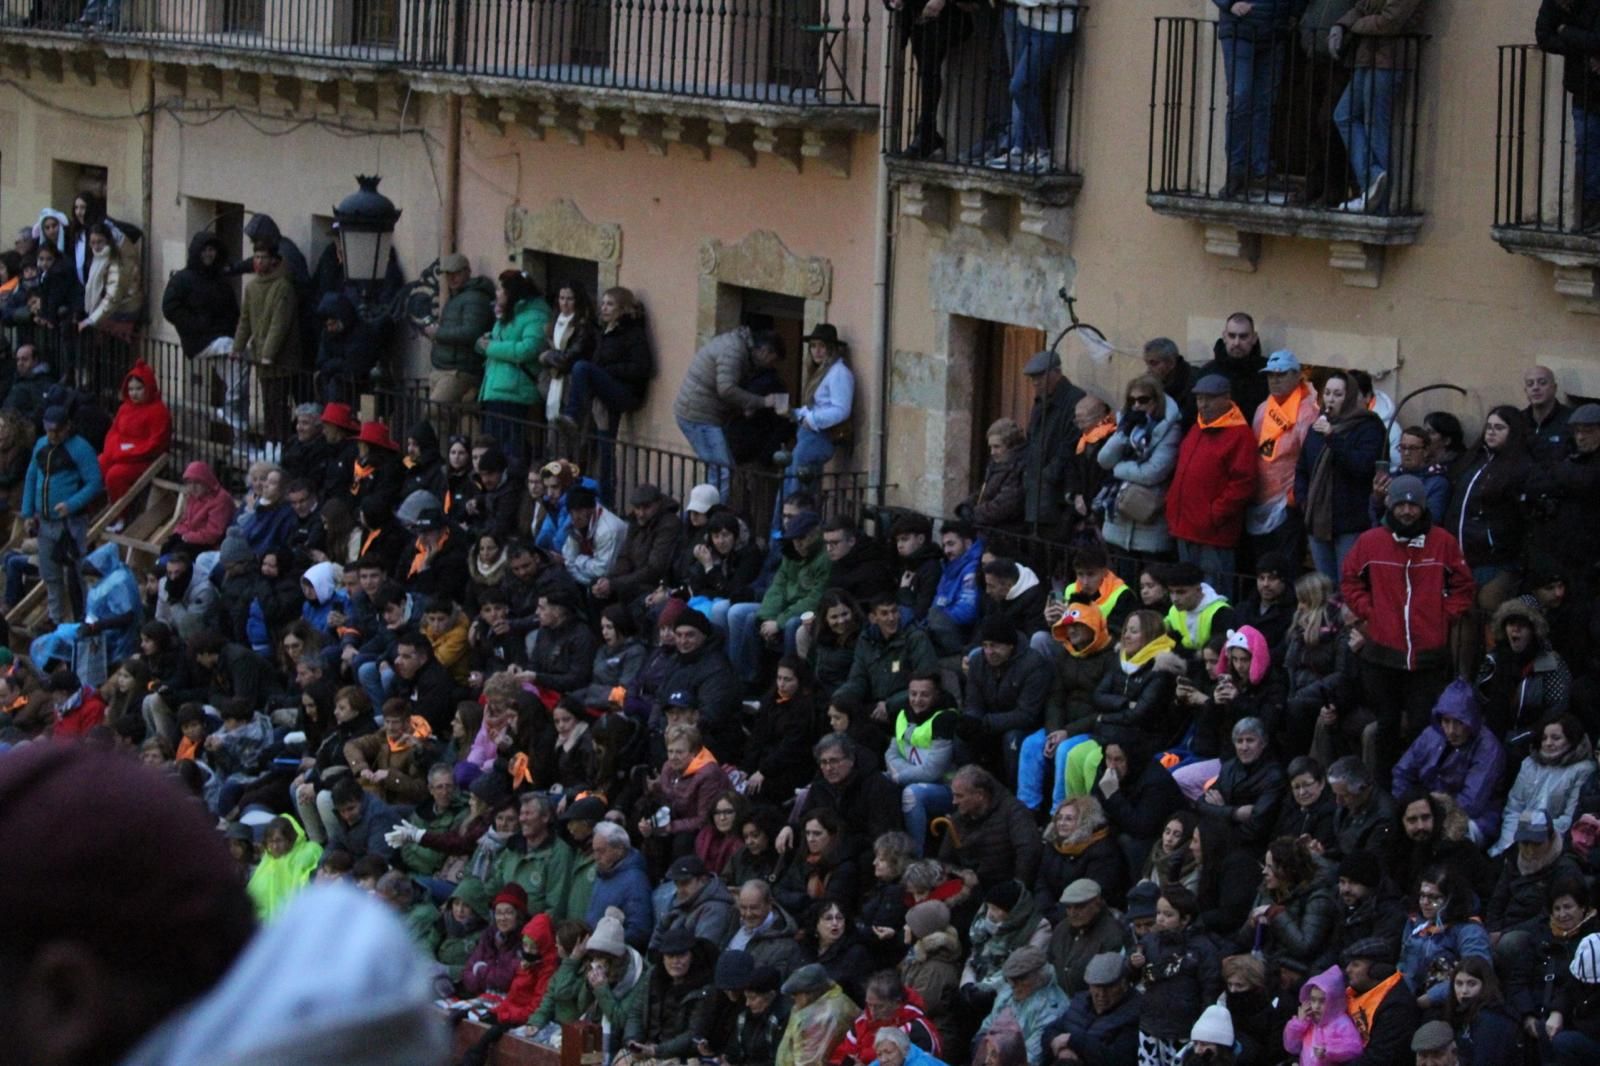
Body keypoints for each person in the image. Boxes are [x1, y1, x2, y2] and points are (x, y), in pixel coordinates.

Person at [1340, 474, 1474, 783]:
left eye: (1413, 505)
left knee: (1421, 725)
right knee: (1385, 725)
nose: (1407, 512)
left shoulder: (1443, 542)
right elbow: (1349, 580)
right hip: (1382, 655)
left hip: (1428, 656)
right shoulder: (1371, 541)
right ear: (1390, 504)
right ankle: (1385, 787)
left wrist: (1445, 614)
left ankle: (1419, 788)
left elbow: (1463, 585)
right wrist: (1370, 612)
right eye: (1400, 504)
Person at [1329, 0, 1426, 213]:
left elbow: (1390, 21)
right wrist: (1341, 25)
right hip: (1368, 57)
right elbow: (1362, 6)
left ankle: (1377, 202)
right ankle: (1372, 178)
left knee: (1376, 125)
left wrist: (1355, 26)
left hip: (1389, 60)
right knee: (1343, 115)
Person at [1166, 374, 1257, 590]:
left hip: (1213, 534)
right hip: (1186, 526)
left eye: (1209, 399)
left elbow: (1243, 483)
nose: (1203, 404)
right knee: (1187, 591)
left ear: (1226, 399)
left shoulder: (1239, 434)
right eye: (1199, 399)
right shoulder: (1198, 427)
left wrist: (1214, 515)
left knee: (1212, 592)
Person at [674, 325, 787, 496]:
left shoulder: (737, 348)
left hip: (699, 413)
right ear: (765, 352)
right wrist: (762, 402)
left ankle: (704, 515)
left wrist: (745, 405)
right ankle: (710, 518)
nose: (770, 366)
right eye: (773, 361)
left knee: (720, 471)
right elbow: (726, 389)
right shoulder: (734, 351)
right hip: (698, 416)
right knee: (722, 472)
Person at [1389, 680, 1504, 847]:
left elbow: (1472, 803)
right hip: (1425, 807)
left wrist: (1430, 810)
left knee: (1445, 841)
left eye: (1458, 722)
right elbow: (1402, 773)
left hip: (1474, 817)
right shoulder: (1431, 735)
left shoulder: (1488, 748)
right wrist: (1409, 805)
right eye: (1446, 721)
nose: (1451, 730)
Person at [1296, 370, 1386, 582]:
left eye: (1338, 394)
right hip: (1318, 521)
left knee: (1348, 585)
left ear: (1350, 397)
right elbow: (1302, 468)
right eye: (1327, 393)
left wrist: (1332, 437)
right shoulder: (1317, 426)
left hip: (1350, 522)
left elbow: (1362, 467)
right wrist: (1303, 500)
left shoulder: (1369, 427)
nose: (1330, 399)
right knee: (1325, 586)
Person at [22, 404, 103, 624]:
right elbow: (31, 477)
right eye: (49, 431)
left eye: (57, 430)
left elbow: (94, 482)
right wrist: (27, 512)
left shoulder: (80, 448)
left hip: (71, 522)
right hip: (44, 520)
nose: (53, 435)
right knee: (50, 573)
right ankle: (55, 617)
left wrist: (72, 504)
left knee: (79, 572)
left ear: (67, 427)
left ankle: (87, 617)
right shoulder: (41, 445)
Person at [1098, 375, 1183, 561]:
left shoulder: (1170, 429)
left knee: (1149, 587)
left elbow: (1153, 472)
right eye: (1132, 400)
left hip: (1149, 524)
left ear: (1156, 401)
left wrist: (1118, 468)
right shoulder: (1126, 425)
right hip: (1118, 523)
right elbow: (1104, 459)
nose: (1137, 406)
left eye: (1143, 400)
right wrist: (1123, 434)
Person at [1248, 350, 1319, 559]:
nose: (1275, 380)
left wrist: (1294, 496)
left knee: (1285, 565)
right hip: (1260, 499)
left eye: (1281, 375)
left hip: (1288, 504)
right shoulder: (1263, 408)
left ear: (1297, 376)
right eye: (1271, 375)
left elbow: (1311, 459)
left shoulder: (1307, 413)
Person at [1537, 0, 1600, 231]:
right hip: (1582, 89)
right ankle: (1591, 214)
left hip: (1588, 87)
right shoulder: (1552, 4)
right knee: (1586, 153)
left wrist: (1566, 31)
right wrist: (1585, 49)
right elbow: (1543, 37)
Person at [558, 285, 653, 435]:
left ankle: (574, 414)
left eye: (610, 304)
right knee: (606, 432)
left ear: (622, 308)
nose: (604, 308)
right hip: (609, 386)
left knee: (581, 367)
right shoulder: (604, 331)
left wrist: (608, 371)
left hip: (627, 391)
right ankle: (604, 456)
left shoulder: (633, 333)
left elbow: (642, 367)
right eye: (603, 304)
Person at [476, 270, 550, 463]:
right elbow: (496, 342)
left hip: (514, 392)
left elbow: (528, 349)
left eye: (501, 288)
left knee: (509, 452)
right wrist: (484, 343)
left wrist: (491, 347)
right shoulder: (508, 314)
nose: (497, 293)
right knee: (491, 451)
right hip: (495, 388)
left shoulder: (536, 315)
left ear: (512, 292)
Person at [233, 238, 300, 447]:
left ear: (273, 261)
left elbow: (279, 324)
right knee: (267, 405)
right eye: (256, 257)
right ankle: (270, 445)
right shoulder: (252, 287)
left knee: (278, 405)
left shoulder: (283, 287)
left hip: (280, 360)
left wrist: (268, 354)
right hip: (261, 357)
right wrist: (237, 347)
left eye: (264, 257)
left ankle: (281, 445)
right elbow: (245, 320)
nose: (259, 261)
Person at [778, 323, 854, 494]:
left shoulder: (839, 372)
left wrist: (811, 420)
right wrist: (795, 413)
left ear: (831, 348)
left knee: (796, 490)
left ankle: (792, 520)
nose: (816, 351)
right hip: (808, 435)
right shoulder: (822, 372)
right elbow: (818, 406)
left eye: (822, 346)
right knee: (790, 486)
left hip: (820, 436)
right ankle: (782, 521)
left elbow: (841, 410)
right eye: (813, 346)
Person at [1019, 349, 1087, 537]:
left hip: (1056, 495)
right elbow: (1032, 438)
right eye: (1033, 378)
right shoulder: (1041, 401)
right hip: (1037, 491)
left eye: (1040, 376)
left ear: (1056, 373)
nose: (1035, 382)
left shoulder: (1073, 400)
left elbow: (1070, 446)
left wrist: (1048, 475)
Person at [424, 252, 496, 408]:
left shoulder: (475, 298)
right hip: (446, 367)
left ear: (467, 272)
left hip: (459, 370)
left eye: (456, 273)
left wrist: (438, 333)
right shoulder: (457, 297)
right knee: (444, 418)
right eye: (448, 274)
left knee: (435, 411)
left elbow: (471, 332)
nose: (452, 278)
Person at [98, 360, 170, 504]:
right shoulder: (125, 408)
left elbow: (156, 443)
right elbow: (114, 432)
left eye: (138, 388)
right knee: (99, 464)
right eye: (131, 389)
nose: (134, 393)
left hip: (144, 459)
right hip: (123, 455)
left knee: (115, 475)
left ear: (148, 388)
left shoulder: (158, 412)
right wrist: (115, 451)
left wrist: (126, 452)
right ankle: (101, 505)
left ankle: (120, 513)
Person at [162, 229, 239, 360]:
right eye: (204, 250)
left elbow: (232, 311)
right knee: (231, 349)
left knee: (239, 354)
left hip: (221, 337)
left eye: (211, 250)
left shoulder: (221, 281)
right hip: (197, 342)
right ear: (197, 252)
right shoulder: (182, 279)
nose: (208, 254)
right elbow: (170, 308)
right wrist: (196, 324)